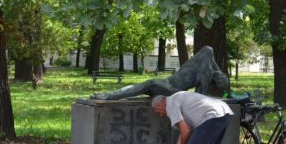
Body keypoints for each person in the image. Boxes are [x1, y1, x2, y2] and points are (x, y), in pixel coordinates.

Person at [91, 46, 229, 100]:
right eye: (221, 78)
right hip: (168, 82)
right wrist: (220, 76)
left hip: (174, 90)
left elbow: (200, 96)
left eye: (220, 80)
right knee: (142, 84)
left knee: (150, 83)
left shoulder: (207, 74)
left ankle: (109, 96)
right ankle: (111, 94)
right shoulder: (208, 59)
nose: (220, 78)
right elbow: (209, 53)